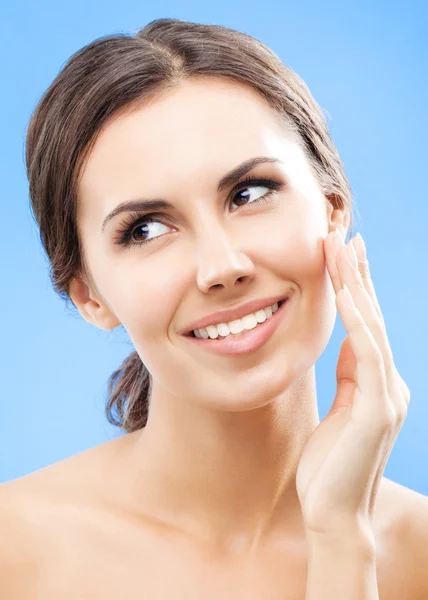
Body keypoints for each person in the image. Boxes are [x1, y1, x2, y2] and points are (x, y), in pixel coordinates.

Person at [1, 17, 427, 599]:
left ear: (333, 208)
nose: (221, 266)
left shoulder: (419, 552)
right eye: (146, 229)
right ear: (89, 295)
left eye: (248, 194)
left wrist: (340, 538)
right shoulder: (15, 549)